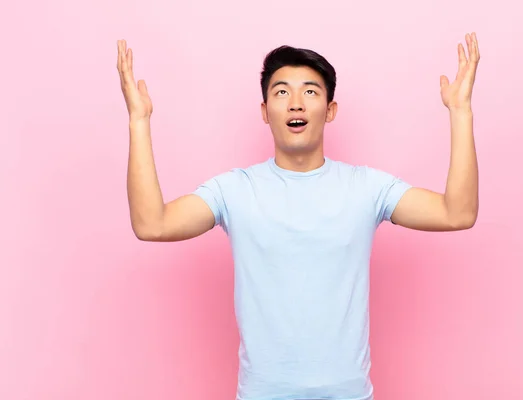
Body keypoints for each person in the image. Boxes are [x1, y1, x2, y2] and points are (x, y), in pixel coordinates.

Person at [116, 33, 480, 400]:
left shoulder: (367, 187)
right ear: (264, 111)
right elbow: (152, 224)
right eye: (281, 92)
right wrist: (138, 120)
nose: (295, 104)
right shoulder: (234, 190)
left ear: (330, 109)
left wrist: (461, 112)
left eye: (309, 92)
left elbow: (457, 213)